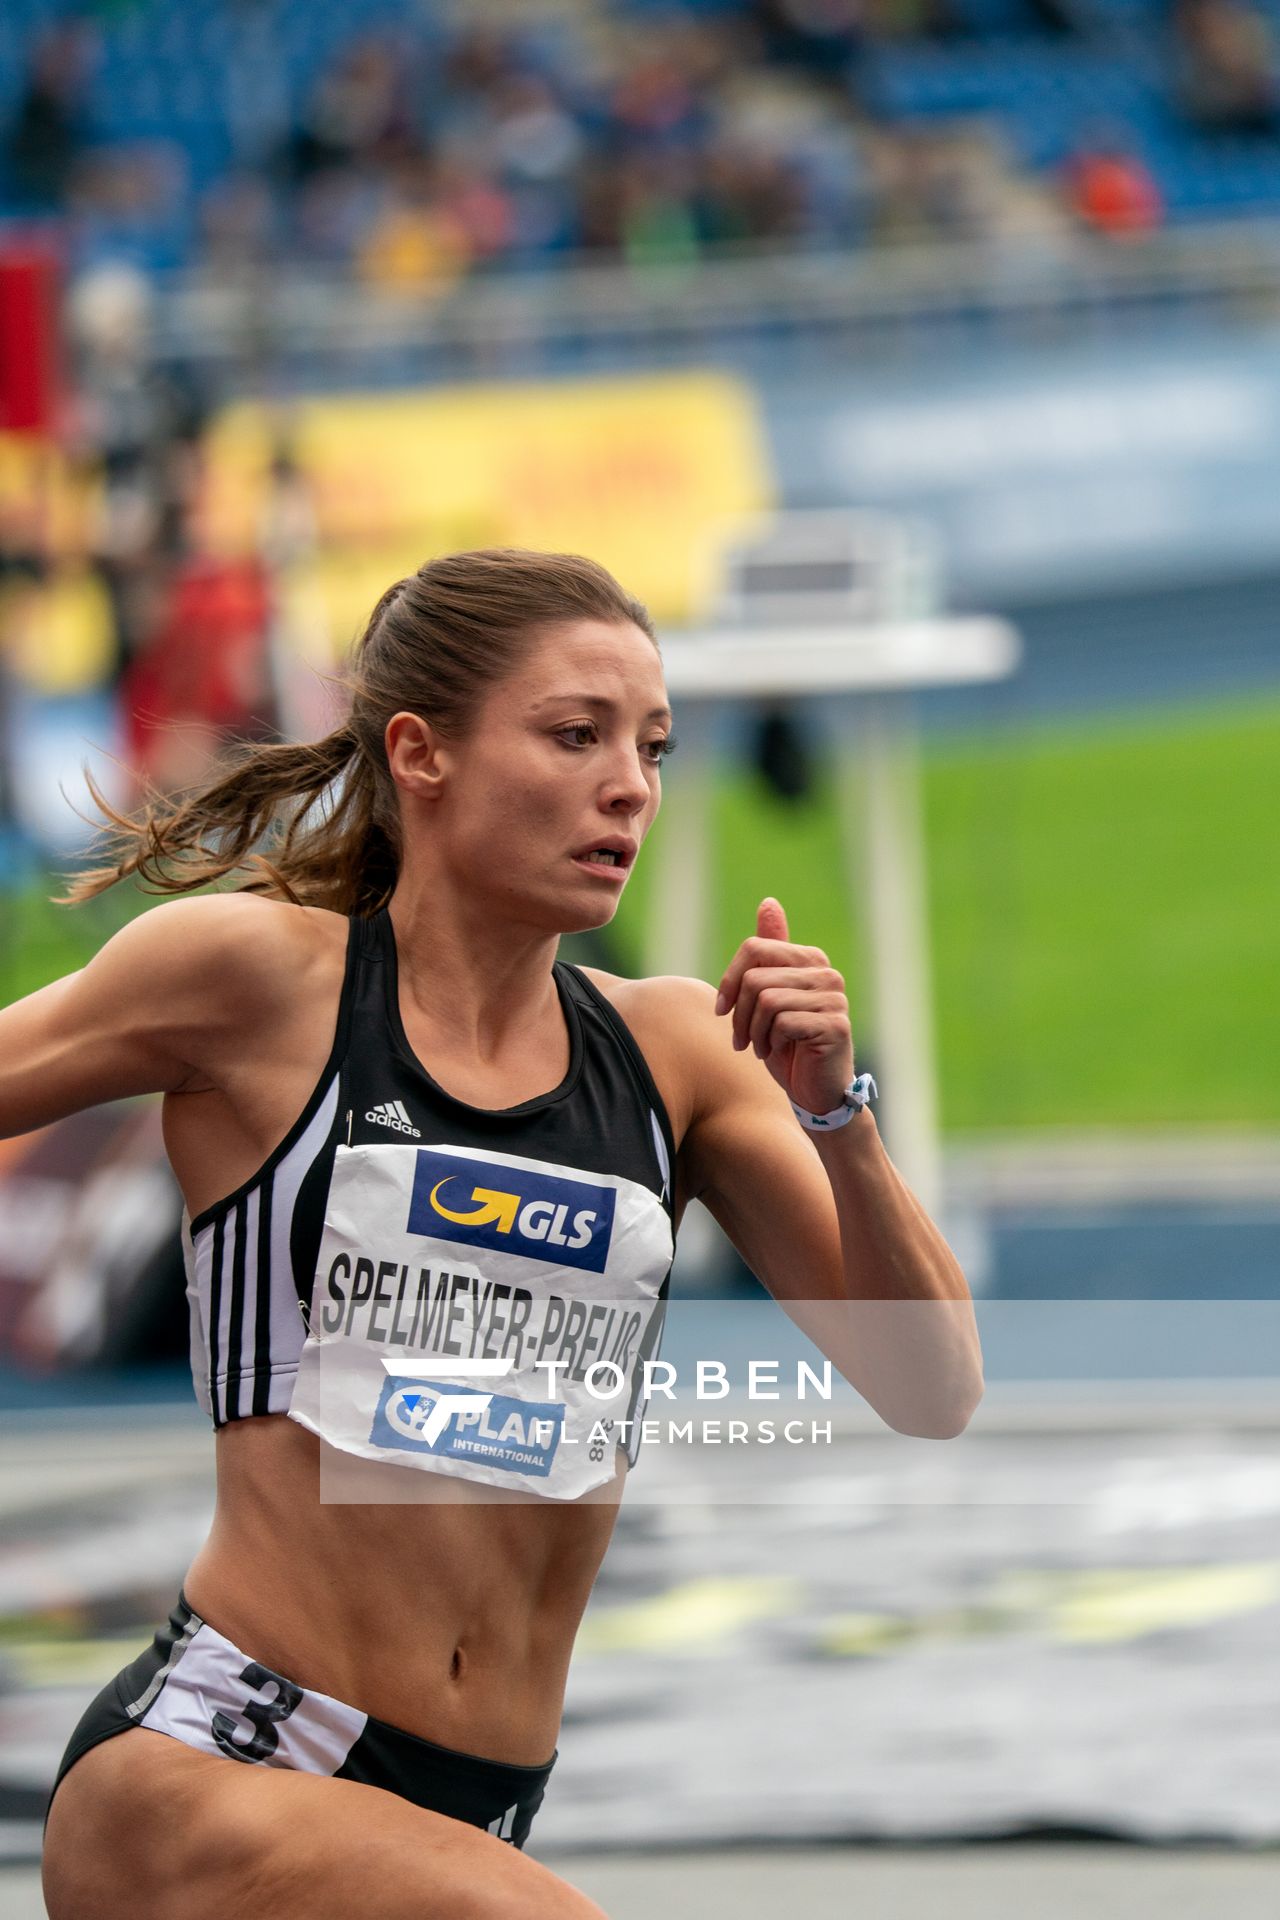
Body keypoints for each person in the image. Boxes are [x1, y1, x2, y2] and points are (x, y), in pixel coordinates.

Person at [8, 548, 981, 1919]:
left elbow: (934, 1389)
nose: (629, 784)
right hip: (217, 1772)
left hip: (474, 1807)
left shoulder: (676, 1054)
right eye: (576, 735)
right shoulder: (255, 983)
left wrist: (838, 1117)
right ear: (422, 754)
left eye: (651, 746)